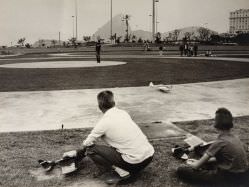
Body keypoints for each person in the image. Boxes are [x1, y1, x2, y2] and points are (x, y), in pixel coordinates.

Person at [82, 90, 154, 184]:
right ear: (114, 103)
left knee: (90, 149)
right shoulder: (123, 113)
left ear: (100, 107)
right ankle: (128, 168)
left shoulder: (103, 123)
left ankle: (122, 171)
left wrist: (79, 152)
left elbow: (86, 144)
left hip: (134, 162)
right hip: (149, 157)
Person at [176, 108, 248, 186]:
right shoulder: (235, 138)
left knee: (182, 170)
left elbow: (195, 166)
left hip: (226, 179)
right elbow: (223, 158)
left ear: (216, 123)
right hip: (244, 176)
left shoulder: (220, 142)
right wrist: (204, 161)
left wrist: (191, 163)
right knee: (209, 163)